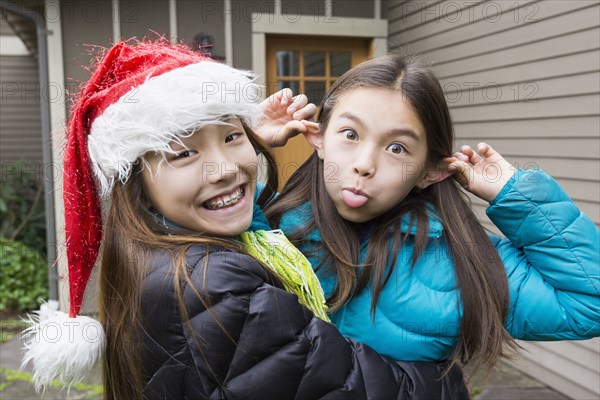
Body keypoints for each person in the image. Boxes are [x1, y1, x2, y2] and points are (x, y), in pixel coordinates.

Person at [21, 41, 470, 399]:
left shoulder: (162, 252)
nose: (226, 169)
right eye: (184, 152)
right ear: (136, 183)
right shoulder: (215, 285)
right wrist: (446, 382)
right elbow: (356, 387)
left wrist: (256, 139)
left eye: (232, 136)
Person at [263, 54, 600, 374]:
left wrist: (516, 196)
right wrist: (249, 146)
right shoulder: (266, 228)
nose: (364, 164)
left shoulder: (460, 260)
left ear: (431, 171)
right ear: (317, 137)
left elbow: (587, 304)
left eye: (397, 148)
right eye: (350, 134)